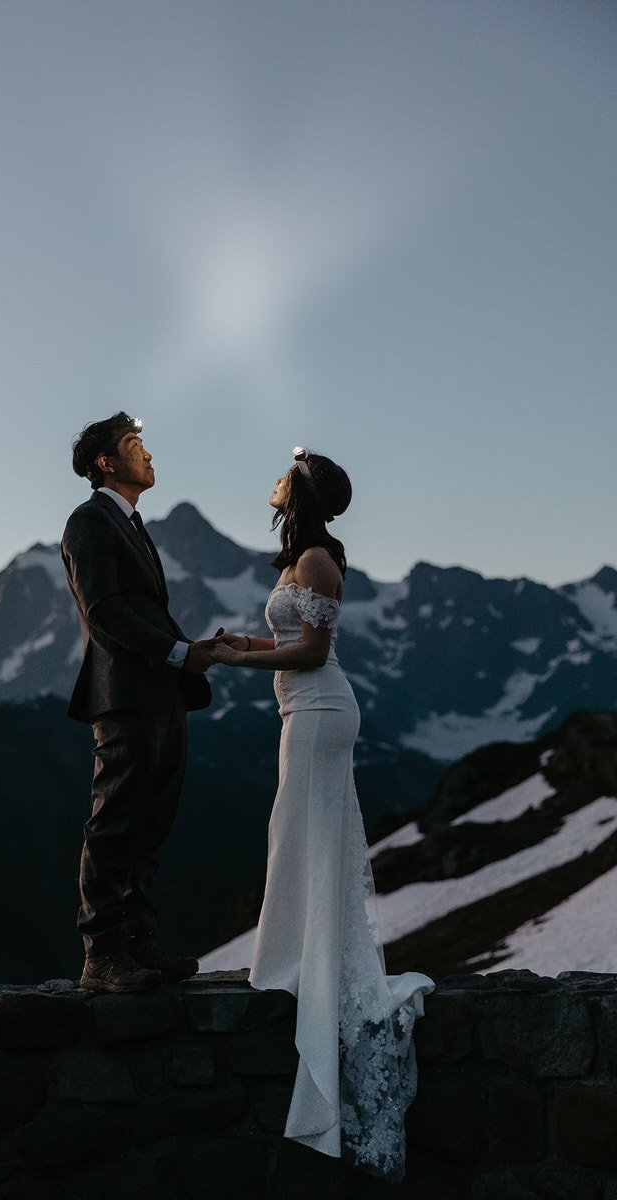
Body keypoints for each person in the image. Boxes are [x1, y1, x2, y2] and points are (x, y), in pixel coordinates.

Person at [210, 447, 435, 1181]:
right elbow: (287, 641)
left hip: (318, 708)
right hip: (302, 712)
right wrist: (243, 643)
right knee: (300, 837)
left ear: (299, 491)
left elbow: (310, 652)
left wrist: (237, 664)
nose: (273, 477)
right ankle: (293, 963)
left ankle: (297, 971)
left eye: (285, 471)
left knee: (299, 836)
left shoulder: (316, 563)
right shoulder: (300, 560)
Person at [61, 412, 218, 994]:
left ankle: (138, 946)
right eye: (134, 445)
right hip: (124, 699)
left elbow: (140, 610)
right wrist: (180, 653)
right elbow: (101, 610)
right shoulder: (89, 522)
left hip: (159, 696)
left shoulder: (128, 523)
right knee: (114, 823)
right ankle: (101, 956)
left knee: (150, 824)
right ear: (106, 463)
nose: (147, 454)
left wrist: (188, 653)